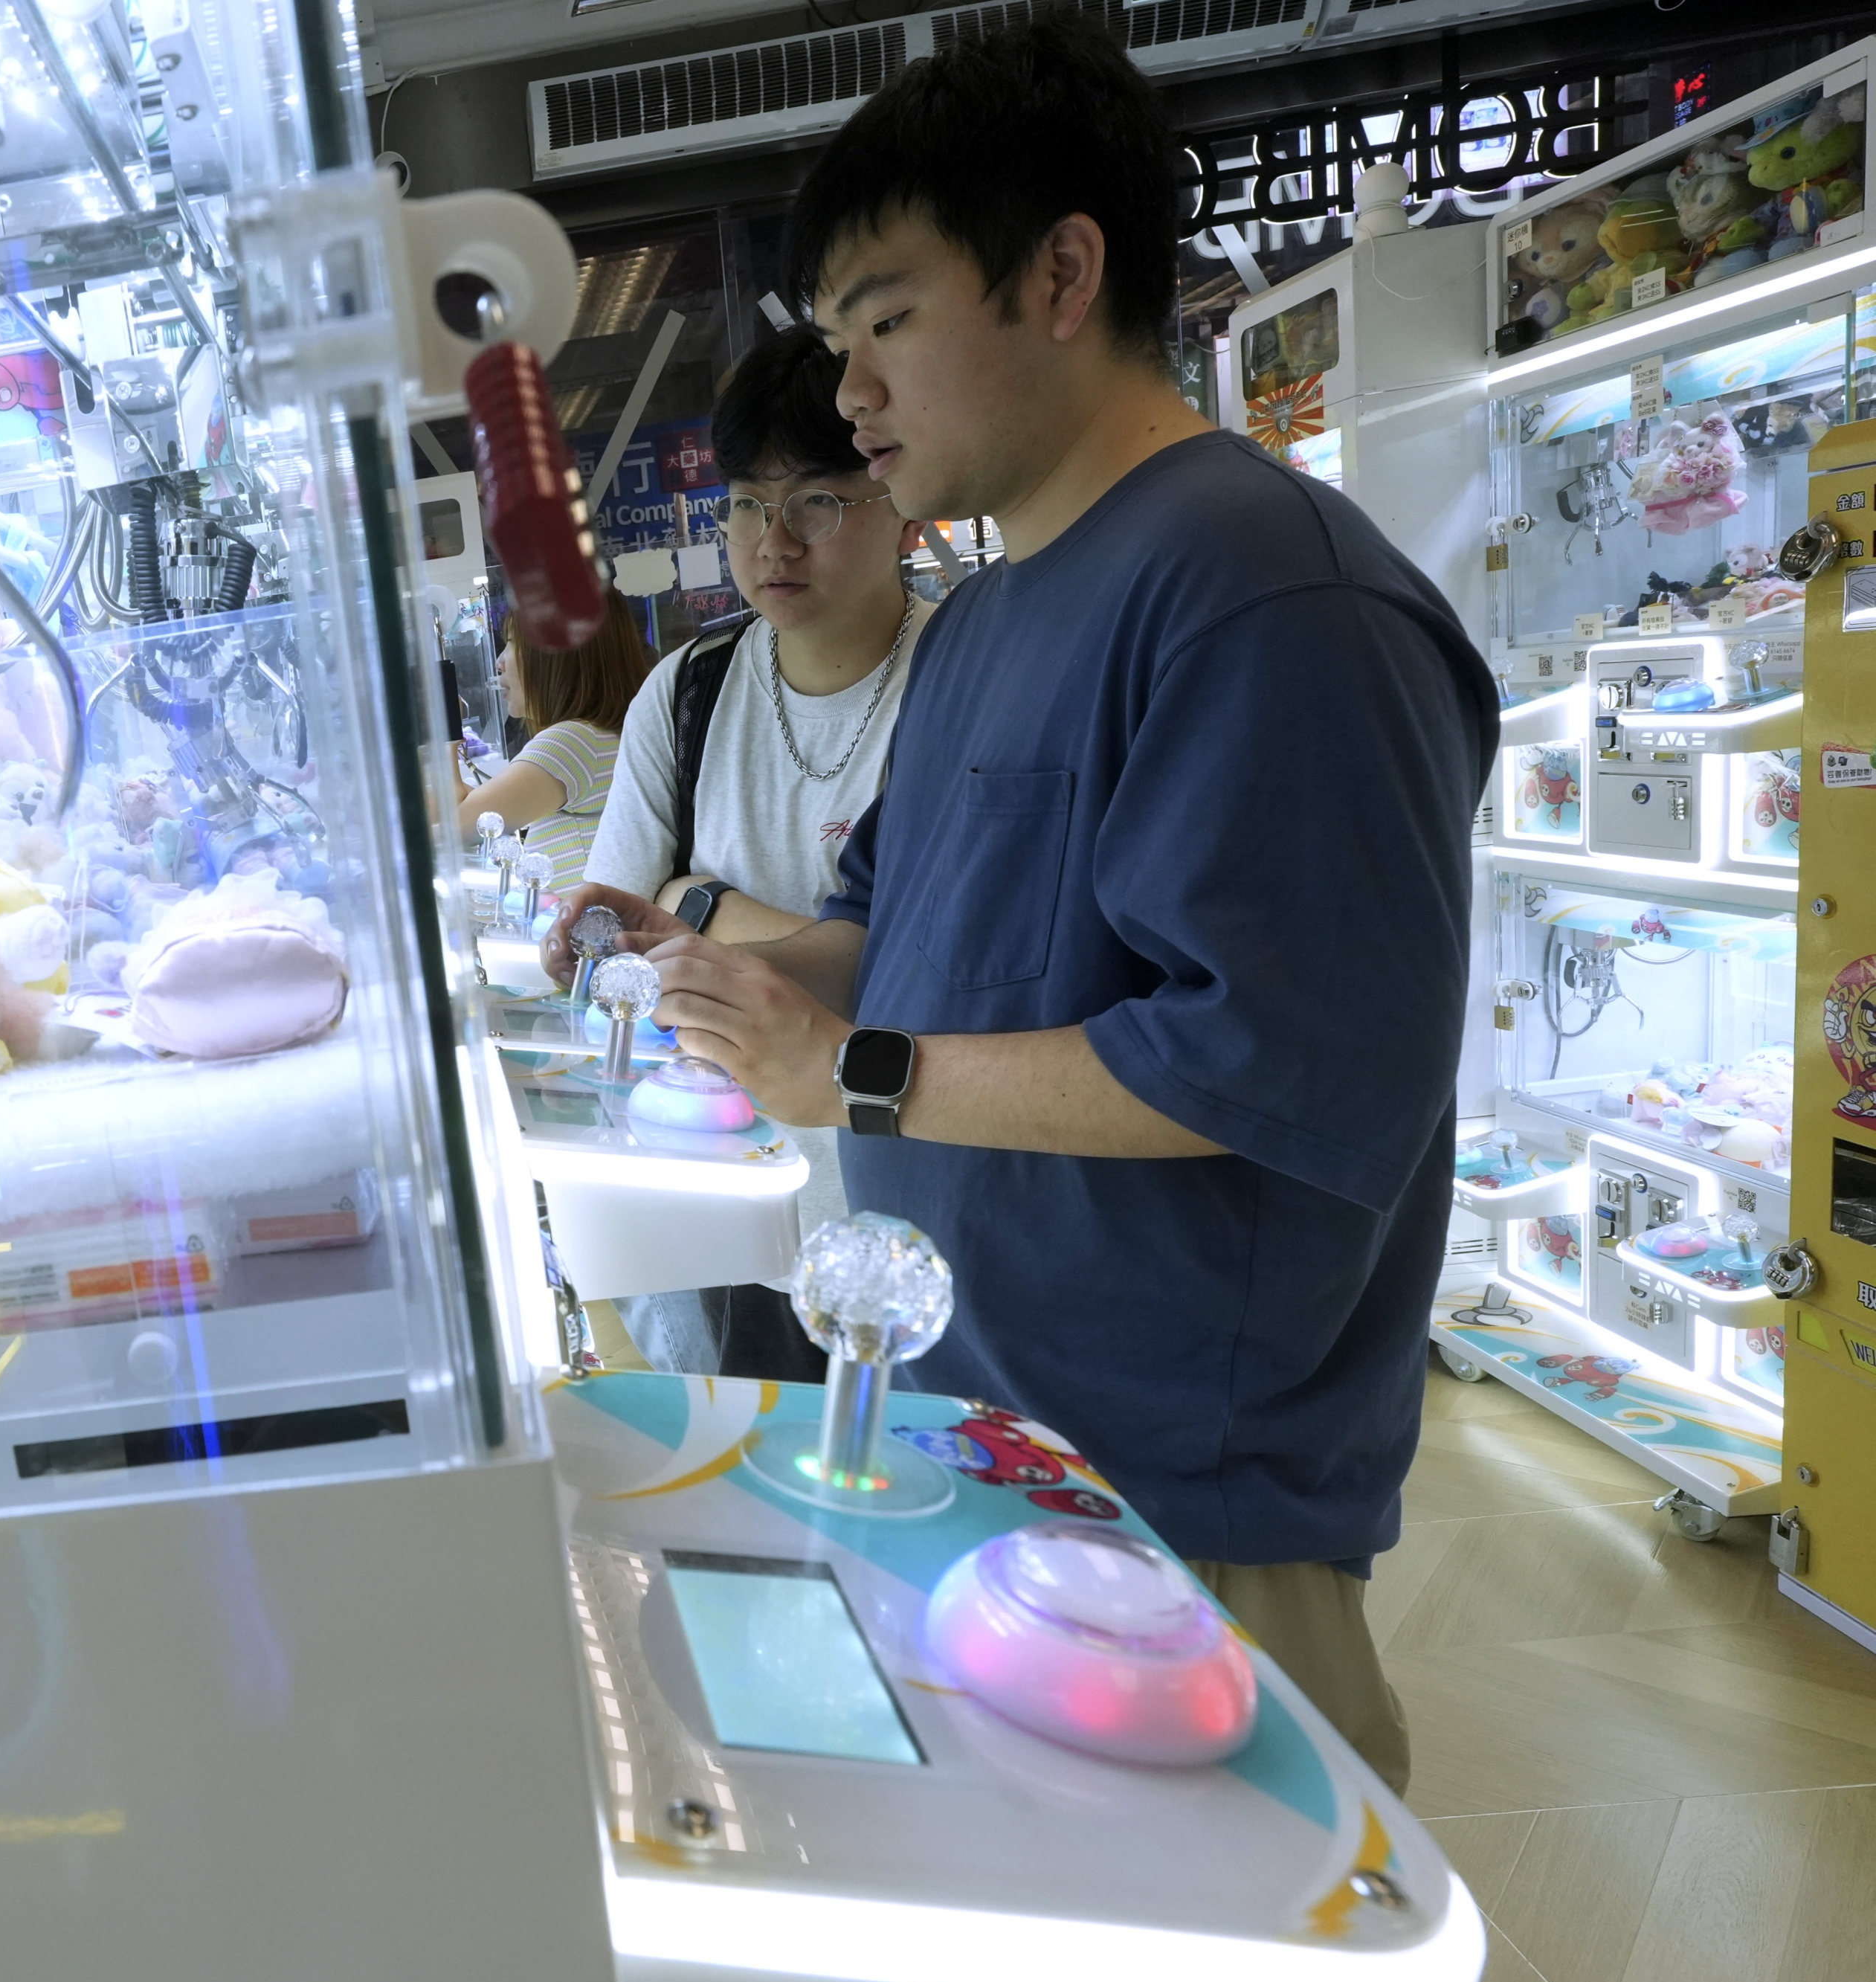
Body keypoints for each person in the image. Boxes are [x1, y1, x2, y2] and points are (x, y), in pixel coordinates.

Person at [540, 12, 1492, 1795]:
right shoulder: (987, 623)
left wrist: (866, 1077)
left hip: (1174, 1506)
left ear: (1063, 273)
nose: (852, 395)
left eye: (888, 322)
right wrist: (717, 977)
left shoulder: (1267, 597)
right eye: (836, 344)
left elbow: (1277, 1063)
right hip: (982, 1431)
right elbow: (888, 928)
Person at [582, 326, 935, 1382]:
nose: (771, 541)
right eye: (744, 502)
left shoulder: (963, 680)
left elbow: (930, 966)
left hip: (912, 1207)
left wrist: (702, 906)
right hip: (728, 1185)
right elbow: (612, 929)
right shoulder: (686, 692)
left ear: (898, 500)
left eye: (816, 500)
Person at [455, 594, 650, 889]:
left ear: (554, 655)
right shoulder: (600, 737)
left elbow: (459, 827)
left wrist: (444, 730)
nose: (499, 662)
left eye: (512, 643)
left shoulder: (572, 742)